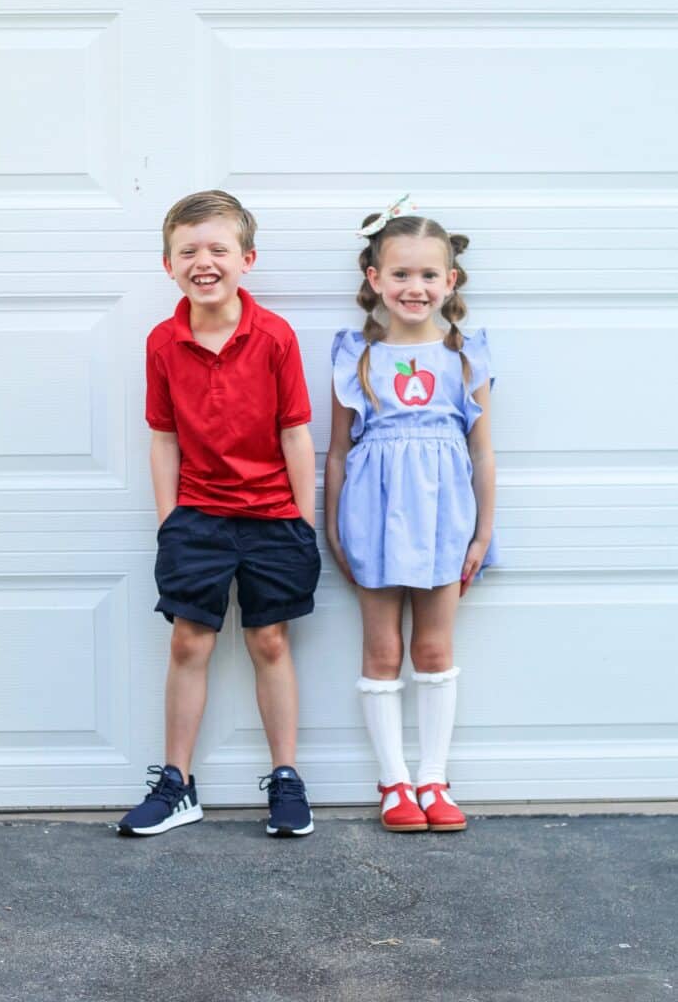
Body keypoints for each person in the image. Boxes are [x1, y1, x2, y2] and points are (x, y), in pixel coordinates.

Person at [118, 190, 321, 838]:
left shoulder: (274, 337)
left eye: (217, 249)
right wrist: (168, 521)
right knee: (188, 642)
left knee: (269, 640)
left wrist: (304, 523)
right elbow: (164, 437)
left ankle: (285, 777)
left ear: (246, 259)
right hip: (197, 519)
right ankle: (176, 783)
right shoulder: (162, 343)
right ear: (167, 264)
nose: (203, 261)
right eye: (188, 250)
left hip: (273, 516)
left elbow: (295, 433)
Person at [325, 198, 497, 832]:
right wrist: (335, 527)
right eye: (400, 274)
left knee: (432, 646)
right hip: (372, 517)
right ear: (374, 279)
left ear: (450, 281)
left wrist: (482, 531)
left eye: (429, 275)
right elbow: (339, 452)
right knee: (382, 647)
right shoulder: (355, 355)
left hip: (444, 519)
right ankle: (394, 782)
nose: (414, 287)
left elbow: (481, 449)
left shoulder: (465, 354)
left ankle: (433, 778)